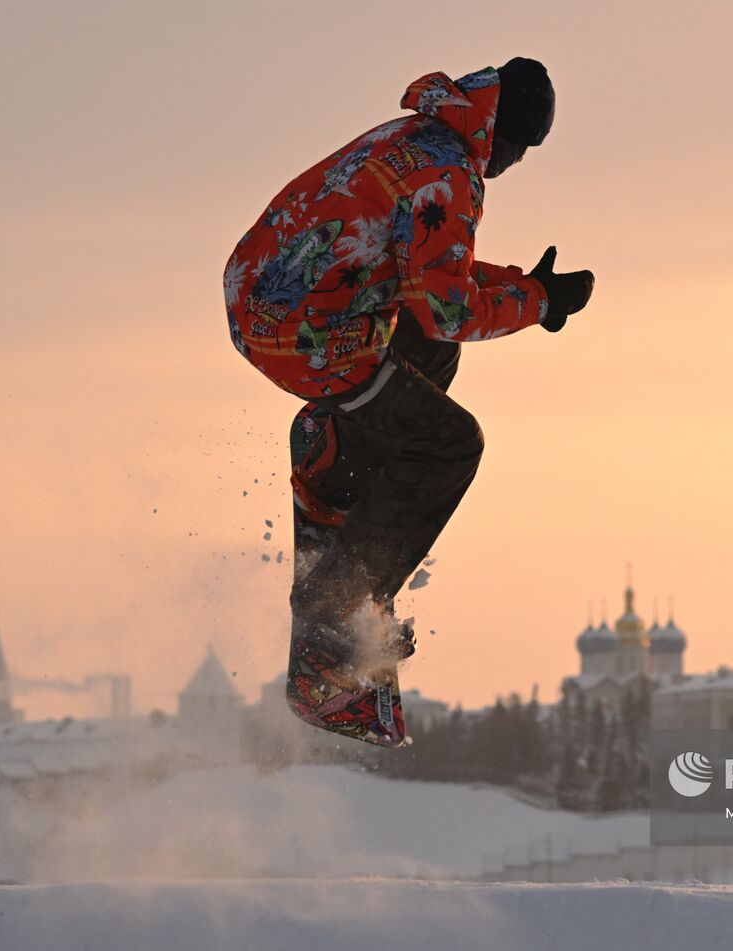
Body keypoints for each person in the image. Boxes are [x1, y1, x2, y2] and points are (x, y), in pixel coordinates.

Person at [223, 57, 594, 669]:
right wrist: (540, 303)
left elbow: (431, 284)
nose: (516, 163)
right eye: (521, 147)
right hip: (305, 334)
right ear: (500, 129)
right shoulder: (450, 177)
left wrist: (526, 288)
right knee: (450, 444)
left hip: (264, 301)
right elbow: (450, 308)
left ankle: (341, 452)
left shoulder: (416, 139)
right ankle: (333, 615)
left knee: (428, 348)